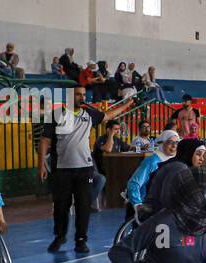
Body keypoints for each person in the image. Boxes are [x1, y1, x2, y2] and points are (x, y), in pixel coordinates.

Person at [39, 85, 136, 253]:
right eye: (78, 94)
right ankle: (60, 237)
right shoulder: (56, 115)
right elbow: (45, 141)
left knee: (83, 206)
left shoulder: (89, 114)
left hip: (85, 169)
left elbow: (109, 115)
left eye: (83, 94)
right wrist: (41, 164)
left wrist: (127, 104)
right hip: (62, 169)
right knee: (61, 206)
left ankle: (81, 240)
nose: (81, 97)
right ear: (70, 96)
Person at [124, 129, 181, 213]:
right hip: (149, 206)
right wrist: (138, 205)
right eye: (170, 142)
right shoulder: (152, 161)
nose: (174, 146)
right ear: (161, 143)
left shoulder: (176, 161)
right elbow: (133, 183)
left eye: (177, 143)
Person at [147, 137, 206, 213]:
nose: (202, 159)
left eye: (203, 155)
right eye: (198, 154)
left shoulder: (180, 165)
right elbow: (166, 199)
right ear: (189, 153)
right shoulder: (179, 167)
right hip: (157, 214)